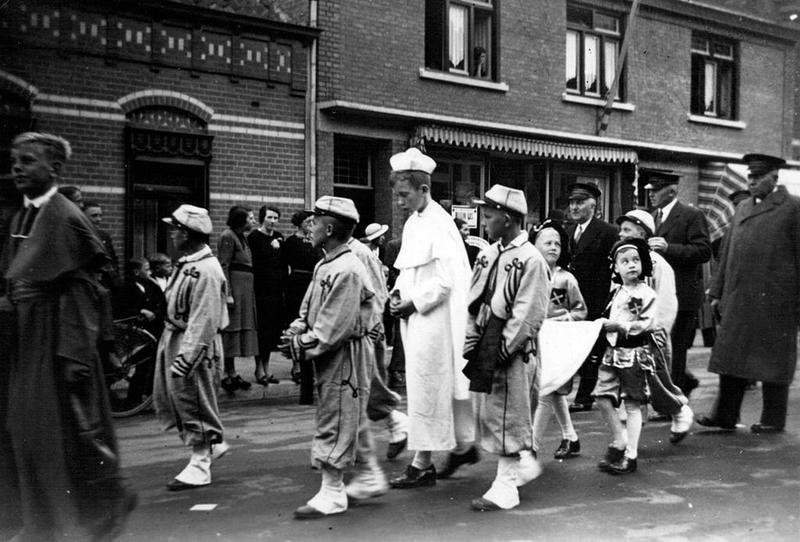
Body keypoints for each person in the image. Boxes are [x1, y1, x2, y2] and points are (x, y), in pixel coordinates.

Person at [1, 132, 135, 540]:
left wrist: (75, 355)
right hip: (26, 338)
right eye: (14, 160)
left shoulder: (66, 217)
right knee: (24, 432)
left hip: (56, 339)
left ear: (54, 168)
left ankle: (92, 513)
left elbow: (83, 291)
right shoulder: (23, 215)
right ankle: (39, 523)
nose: (17, 167)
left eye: (28, 160)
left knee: (62, 435)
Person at [278, 196, 386, 518]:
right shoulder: (325, 263)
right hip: (329, 353)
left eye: (314, 222)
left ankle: (333, 491)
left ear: (328, 229)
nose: (309, 228)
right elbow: (310, 308)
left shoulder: (348, 268)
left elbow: (331, 328)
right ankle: (354, 480)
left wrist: (300, 344)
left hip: (345, 354)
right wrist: (296, 328)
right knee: (337, 415)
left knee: (336, 418)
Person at [386, 147, 476, 489]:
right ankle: (463, 446)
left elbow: (444, 282)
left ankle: (422, 464)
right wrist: (397, 293)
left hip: (434, 320)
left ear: (424, 189)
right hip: (417, 318)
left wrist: (412, 304)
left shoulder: (439, 224)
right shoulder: (415, 222)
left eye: (404, 195)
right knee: (430, 387)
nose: (399, 202)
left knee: (427, 387)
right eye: (397, 196)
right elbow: (410, 271)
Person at [463, 185, 550, 511]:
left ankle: (506, 485)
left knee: (509, 413)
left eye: (489, 216)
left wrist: (503, 349)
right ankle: (522, 464)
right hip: (485, 343)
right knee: (490, 410)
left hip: (513, 350)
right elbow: (473, 298)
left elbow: (529, 312)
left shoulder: (531, 259)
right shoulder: (487, 254)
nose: (484, 222)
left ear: (508, 219)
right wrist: (472, 338)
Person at [699, 153, 800, 433]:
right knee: (730, 357)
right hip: (738, 298)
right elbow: (726, 252)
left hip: (776, 302)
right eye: (750, 176)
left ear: (774, 178)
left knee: (774, 362)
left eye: (757, 177)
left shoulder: (792, 208)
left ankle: (772, 420)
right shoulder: (743, 207)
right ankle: (724, 415)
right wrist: (717, 291)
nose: (751, 182)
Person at [154, 204, 230, 490]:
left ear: (186, 233)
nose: (171, 234)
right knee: (177, 397)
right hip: (177, 336)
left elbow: (204, 318)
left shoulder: (207, 270)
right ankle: (213, 444)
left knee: (193, 399)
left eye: (175, 229)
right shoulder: (188, 263)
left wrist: (188, 357)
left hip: (195, 343)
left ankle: (200, 463)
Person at [615, 210, 693, 443]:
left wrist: (659, 331)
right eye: (621, 230)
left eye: (627, 230)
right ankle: (629, 433)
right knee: (628, 384)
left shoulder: (658, 264)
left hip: (651, 336)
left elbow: (666, 302)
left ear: (642, 233)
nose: (621, 234)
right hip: (627, 335)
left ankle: (679, 410)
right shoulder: (621, 262)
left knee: (656, 383)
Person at [594, 238, 658, 475]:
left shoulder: (646, 293)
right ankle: (619, 439)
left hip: (633, 353)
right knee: (602, 396)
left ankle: (631, 455)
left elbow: (648, 323)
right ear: (616, 267)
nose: (631, 265)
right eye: (625, 261)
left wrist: (620, 326)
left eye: (635, 260)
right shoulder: (616, 293)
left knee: (632, 404)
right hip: (612, 352)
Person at [646, 175, 711, 397]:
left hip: (682, 295)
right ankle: (681, 383)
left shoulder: (691, 215)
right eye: (650, 190)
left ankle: (673, 398)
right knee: (662, 346)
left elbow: (703, 251)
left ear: (672, 192)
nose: (651, 194)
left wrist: (669, 248)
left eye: (656, 190)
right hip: (659, 294)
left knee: (676, 348)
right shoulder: (654, 216)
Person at [346, 233, 409, 460]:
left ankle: (395, 424)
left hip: (364, 330)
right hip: (346, 330)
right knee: (353, 387)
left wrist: (373, 325)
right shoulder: (333, 254)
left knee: (365, 383)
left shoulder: (360, 253)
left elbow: (378, 292)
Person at [530, 219, 587, 461]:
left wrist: (566, 318)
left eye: (557, 243)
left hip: (558, 341)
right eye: (547, 243)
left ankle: (531, 446)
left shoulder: (566, 279)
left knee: (547, 389)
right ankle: (570, 437)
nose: (553, 247)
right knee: (553, 390)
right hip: (536, 341)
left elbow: (580, 310)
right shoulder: (531, 275)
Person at [564, 182, 618, 412]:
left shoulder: (607, 232)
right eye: (572, 202)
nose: (574, 207)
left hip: (595, 300)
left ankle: (585, 396)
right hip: (571, 302)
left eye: (580, 202)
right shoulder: (568, 232)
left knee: (592, 351)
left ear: (593, 205)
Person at [218, 206, 259, 394]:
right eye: (250, 218)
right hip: (235, 289)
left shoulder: (242, 237)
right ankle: (226, 374)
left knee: (239, 329)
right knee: (231, 330)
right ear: (240, 220)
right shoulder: (228, 236)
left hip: (245, 290)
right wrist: (228, 293)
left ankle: (233, 372)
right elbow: (224, 265)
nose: (253, 221)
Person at [283, 210, 322, 390]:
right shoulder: (291, 241)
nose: (311, 225)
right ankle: (296, 365)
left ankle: (311, 362)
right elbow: (284, 264)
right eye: (308, 222)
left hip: (312, 283)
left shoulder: (315, 241)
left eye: (313, 222)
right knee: (298, 321)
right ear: (299, 223)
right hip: (297, 284)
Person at [248, 205, 285, 386]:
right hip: (260, 289)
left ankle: (267, 366)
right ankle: (258, 368)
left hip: (275, 289)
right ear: (263, 218)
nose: (273, 221)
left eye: (275, 218)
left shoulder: (279, 237)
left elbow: (283, 262)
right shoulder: (254, 237)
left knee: (271, 330)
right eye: (269, 217)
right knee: (261, 329)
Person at [84, 200, 120, 288]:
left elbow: (113, 260)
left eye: (100, 216)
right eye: (94, 216)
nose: (98, 219)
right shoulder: (79, 236)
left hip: (106, 284)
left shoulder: (104, 236)